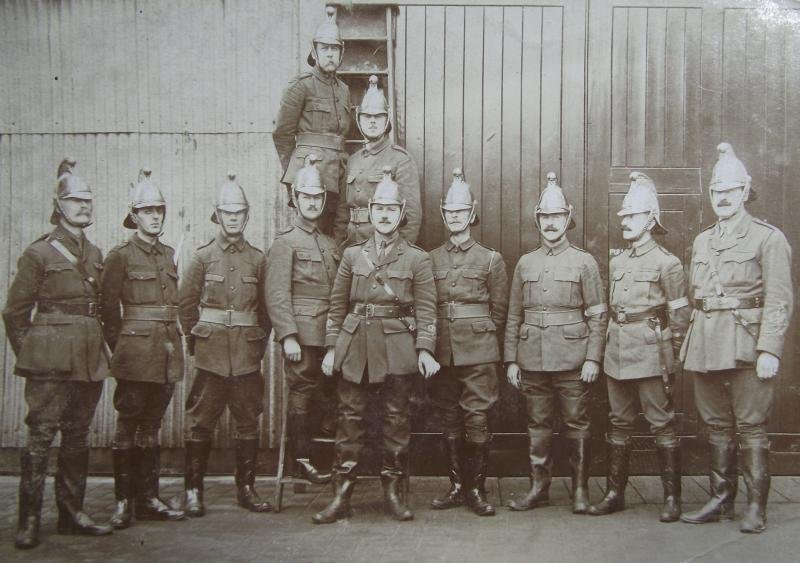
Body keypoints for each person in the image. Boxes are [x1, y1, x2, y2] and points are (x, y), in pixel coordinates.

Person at [314, 167, 439, 524]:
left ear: (401, 214)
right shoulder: (353, 256)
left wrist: (425, 349)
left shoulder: (417, 258)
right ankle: (342, 495)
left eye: (391, 209)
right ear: (370, 212)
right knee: (349, 419)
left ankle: (393, 493)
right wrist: (330, 348)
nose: (384, 215)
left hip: (397, 347)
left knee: (396, 420)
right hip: (355, 348)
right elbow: (338, 305)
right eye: (379, 208)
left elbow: (427, 308)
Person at [679, 143, 793, 533]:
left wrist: (769, 349)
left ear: (746, 191)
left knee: (751, 426)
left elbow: (779, 299)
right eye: (716, 191)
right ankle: (720, 499)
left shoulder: (768, 238)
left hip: (746, 345)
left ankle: (756, 507)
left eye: (730, 190)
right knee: (716, 425)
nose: (722, 197)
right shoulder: (702, 241)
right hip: (707, 343)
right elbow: (699, 297)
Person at [3, 158, 113, 549]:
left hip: (86, 358)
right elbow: (15, 312)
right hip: (49, 362)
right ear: (59, 205)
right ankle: (29, 519)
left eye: (88, 201)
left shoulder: (95, 253)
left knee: (78, 436)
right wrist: (32, 354)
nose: (83, 206)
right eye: (75, 200)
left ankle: (72, 514)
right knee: (40, 438)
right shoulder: (39, 254)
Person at [588, 172, 690, 522]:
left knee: (661, 422)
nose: (625, 222)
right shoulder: (618, 262)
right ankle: (615, 493)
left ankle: (672, 499)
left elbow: (679, 315)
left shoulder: (668, 263)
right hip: (617, 350)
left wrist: (671, 356)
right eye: (623, 217)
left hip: (650, 352)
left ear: (650, 219)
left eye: (632, 216)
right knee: (618, 422)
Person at [505, 172, 607, 515]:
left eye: (557, 216)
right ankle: (539, 488)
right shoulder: (525, 263)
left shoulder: (584, 262)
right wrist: (511, 361)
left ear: (568, 219)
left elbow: (597, 315)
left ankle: (580, 490)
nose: (551, 223)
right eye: (545, 217)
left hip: (573, 359)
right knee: (537, 424)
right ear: (538, 220)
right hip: (532, 358)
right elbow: (513, 316)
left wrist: (593, 358)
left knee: (577, 423)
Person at [178, 173, 272, 516]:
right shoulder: (203, 258)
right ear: (217, 215)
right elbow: (186, 305)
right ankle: (193, 490)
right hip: (211, 354)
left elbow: (266, 311)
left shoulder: (258, 260)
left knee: (248, 420)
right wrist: (196, 341)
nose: (233, 218)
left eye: (239, 213)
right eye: (227, 213)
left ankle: (246, 488)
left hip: (246, 354)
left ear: (247, 217)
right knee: (200, 422)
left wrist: (256, 346)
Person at [101, 168, 185, 529]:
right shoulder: (120, 255)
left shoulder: (167, 254)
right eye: (147, 211)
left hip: (166, 352)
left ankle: (148, 498)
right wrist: (122, 348)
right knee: (127, 426)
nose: (154, 216)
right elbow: (107, 310)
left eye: (159, 210)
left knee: (152, 426)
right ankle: (123, 502)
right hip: (135, 354)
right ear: (133, 216)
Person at [427, 169, 508, 516]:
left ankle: (477, 489)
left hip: (478, 351)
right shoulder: (430, 259)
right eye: (449, 212)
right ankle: (457, 486)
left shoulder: (491, 259)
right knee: (449, 418)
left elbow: (500, 312)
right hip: (442, 350)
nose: (455, 217)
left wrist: (483, 339)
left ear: (471, 214)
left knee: (476, 417)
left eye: (461, 211)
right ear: (443, 215)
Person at [267, 156, 338, 485]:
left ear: (323, 200)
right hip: (302, 336)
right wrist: (288, 336)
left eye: (317, 197)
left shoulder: (329, 244)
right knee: (302, 394)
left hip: (328, 335)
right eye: (305, 197)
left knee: (327, 397)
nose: (311, 203)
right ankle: (302, 459)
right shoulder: (285, 243)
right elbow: (278, 294)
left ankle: (323, 458)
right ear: (295, 199)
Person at [273, 5, 351, 235]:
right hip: (310, 174)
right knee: (308, 235)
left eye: (334, 49)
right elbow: (282, 134)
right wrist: (295, 175)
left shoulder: (344, 90)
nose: (330, 54)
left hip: (338, 174)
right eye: (324, 48)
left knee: (334, 235)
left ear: (341, 53)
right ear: (315, 52)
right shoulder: (301, 85)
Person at [333, 75, 421, 250]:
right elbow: (342, 213)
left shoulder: (400, 159)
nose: (372, 121)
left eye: (378, 117)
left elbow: (411, 217)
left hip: (383, 247)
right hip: (351, 246)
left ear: (386, 120)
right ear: (359, 120)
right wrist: (339, 246)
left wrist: (397, 256)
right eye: (367, 117)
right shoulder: (353, 160)